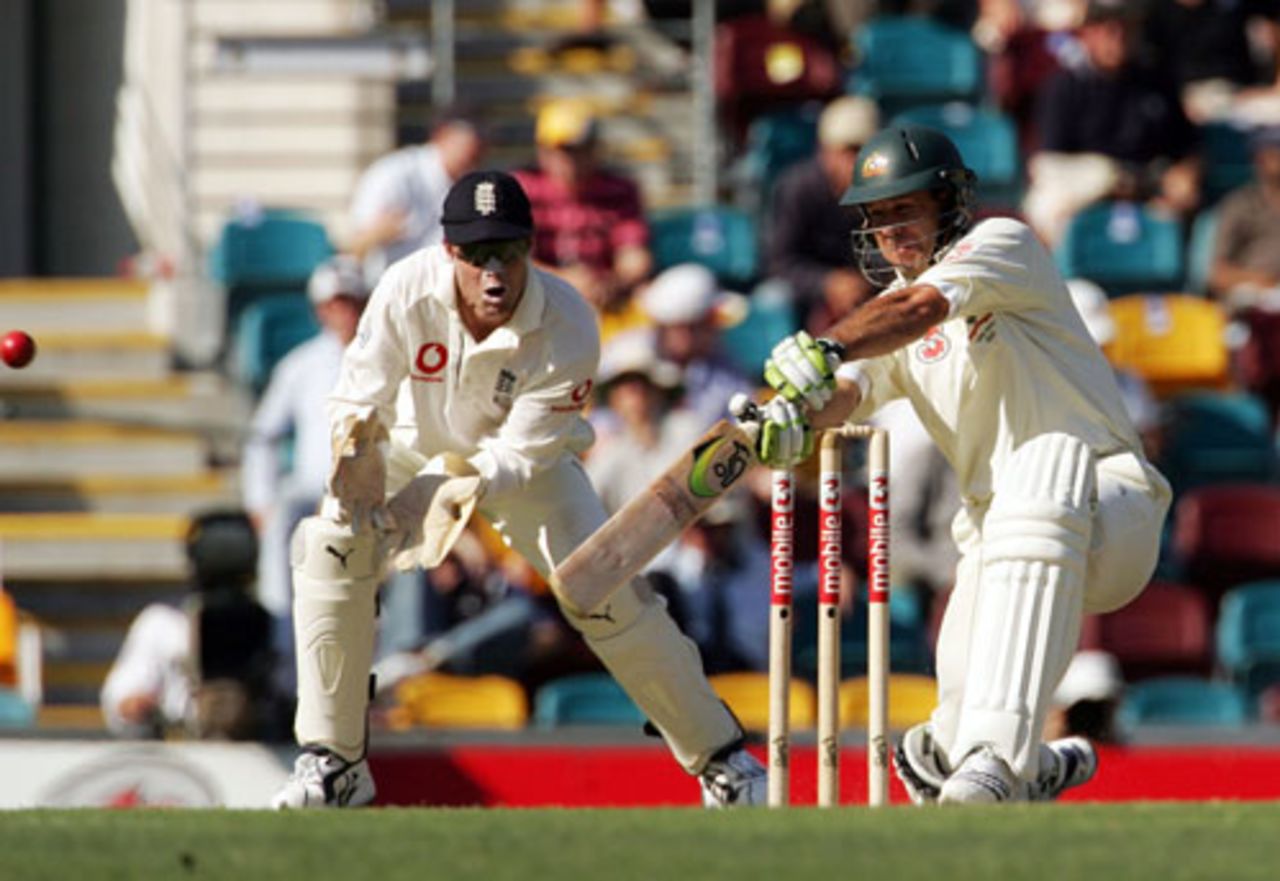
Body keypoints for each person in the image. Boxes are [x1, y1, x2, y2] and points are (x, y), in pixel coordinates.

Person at [271, 170, 766, 809]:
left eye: (507, 251)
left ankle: (723, 759)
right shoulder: (403, 288)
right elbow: (357, 398)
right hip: (409, 446)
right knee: (329, 544)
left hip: (526, 470)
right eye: (477, 256)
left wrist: (451, 491)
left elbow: (522, 450)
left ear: (531, 246)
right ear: (449, 251)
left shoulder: (568, 322)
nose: (493, 273)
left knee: (603, 588)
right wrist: (355, 456)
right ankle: (333, 763)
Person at [752, 123, 1172, 804]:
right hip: (999, 539)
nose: (891, 231)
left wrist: (825, 346)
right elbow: (852, 390)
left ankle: (998, 762)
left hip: (1109, 502)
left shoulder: (1004, 246)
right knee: (945, 744)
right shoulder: (892, 320)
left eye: (904, 209)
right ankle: (1025, 764)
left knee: (1045, 461)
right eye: (878, 216)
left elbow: (920, 308)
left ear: (946, 202)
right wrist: (791, 413)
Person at [241, 256, 371, 681]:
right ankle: (283, 652)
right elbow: (262, 435)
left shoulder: (387, 359)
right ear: (321, 310)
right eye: (336, 303)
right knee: (281, 521)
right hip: (311, 487)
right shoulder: (300, 366)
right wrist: (260, 500)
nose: (345, 312)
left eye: (351, 301)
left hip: (373, 490)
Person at [1022, 0, 1201, 246]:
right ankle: (1056, 275)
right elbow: (1050, 163)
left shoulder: (1156, 80)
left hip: (1147, 183)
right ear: (1086, 34)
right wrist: (1113, 181)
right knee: (1046, 204)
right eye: (1108, 29)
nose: (1117, 37)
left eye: (1126, 27)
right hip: (1088, 185)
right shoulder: (1064, 85)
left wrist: (1186, 173)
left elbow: (1188, 145)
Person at [101, 510, 279, 740]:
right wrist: (137, 705)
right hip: (186, 753)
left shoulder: (279, 628)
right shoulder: (162, 626)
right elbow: (122, 700)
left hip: (264, 755)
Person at [512, 99, 653, 335]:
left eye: (580, 149)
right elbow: (512, 258)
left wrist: (610, 282)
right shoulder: (521, 188)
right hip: (538, 295)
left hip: (605, 297)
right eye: (563, 150)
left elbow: (635, 256)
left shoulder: (617, 189)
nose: (571, 160)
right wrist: (563, 280)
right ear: (543, 151)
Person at [766, 95, 882, 334]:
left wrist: (862, 283)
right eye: (850, 150)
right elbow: (779, 262)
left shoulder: (889, 188)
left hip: (873, 291)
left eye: (867, 150)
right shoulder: (798, 187)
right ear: (825, 152)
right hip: (808, 300)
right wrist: (827, 283)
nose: (859, 160)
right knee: (772, 299)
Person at [348, 108, 485, 285]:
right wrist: (378, 233)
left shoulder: (474, 184)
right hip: (390, 289)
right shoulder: (395, 174)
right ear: (441, 135)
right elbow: (354, 247)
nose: (477, 151)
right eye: (469, 141)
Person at [638, 263, 755, 427]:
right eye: (709, 323)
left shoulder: (726, 368)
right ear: (683, 330)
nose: (718, 330)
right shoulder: (628, 363)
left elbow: (745, 426)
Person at [1208, 124, 1280, 309]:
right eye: (1274, 151)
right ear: (1258, 159)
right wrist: (1262, 282)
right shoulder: (1239, 205)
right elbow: (1217, 274)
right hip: (1253, 300)